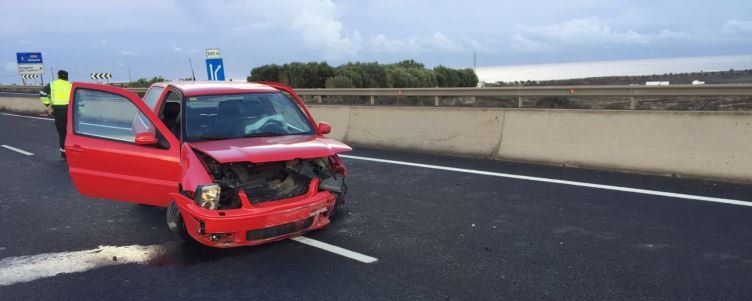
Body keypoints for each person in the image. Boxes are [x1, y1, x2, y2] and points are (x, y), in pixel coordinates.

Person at [39, 70, 72, 159]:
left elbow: (42, 93)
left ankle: (64, 153)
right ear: (67, 77)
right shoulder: (71, 85)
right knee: (71, 133)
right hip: (70, 111)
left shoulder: (52, 84)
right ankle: (72, 152)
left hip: (58, 111)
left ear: (58, 76)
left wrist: (48, 105)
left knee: (62, 133)